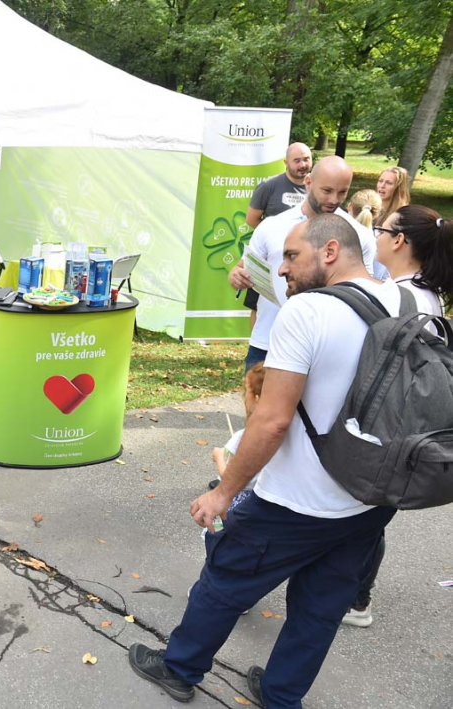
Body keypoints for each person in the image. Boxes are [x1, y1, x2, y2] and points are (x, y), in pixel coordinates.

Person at [129, 215, 400, 709]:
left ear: (330, 251)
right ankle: (281, 697)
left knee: (225, 579)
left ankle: (179, 668)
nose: (281, 269)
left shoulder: (308, 311)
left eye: (292, 256)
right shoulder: (405, 300)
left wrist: (223, 492)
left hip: (295, 500)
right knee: (320, 610)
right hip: (370, 499)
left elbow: (272, 421)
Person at [342, 206, 453, 629]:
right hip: (411, 425)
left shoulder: (398, 297)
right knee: (371, 517)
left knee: (362, 516)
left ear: (399, 240)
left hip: (387, 425)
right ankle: (357, 598)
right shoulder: (427, 293)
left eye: (380, 229)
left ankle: (355, 598)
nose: (376, 236)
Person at [228, 156, 382, 372]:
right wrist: (236, 275)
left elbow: (364, 289)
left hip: (328, 348)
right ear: (308, 183)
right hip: (268, 342)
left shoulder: (358, 235)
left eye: (342, 192)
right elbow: (242, 267)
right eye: (326, 190)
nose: (334, 199)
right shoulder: (273, 226)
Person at [240, 143, 315, 328]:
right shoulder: (268, 186)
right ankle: (257, 342)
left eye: (306, 159)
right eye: (297, 160)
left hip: (305, 261)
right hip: (270, 258)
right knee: (259, 304)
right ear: (285, 162)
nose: (303, 165)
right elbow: (252, 219)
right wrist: (275, 238)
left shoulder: (316, 188)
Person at [206, 363, 266, 502]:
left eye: (247, 392)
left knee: (212, 516)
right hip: (265, 497)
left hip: (242, 499)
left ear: (256, 400)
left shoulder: (243, 437)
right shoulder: (285, 435)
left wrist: (219, 456)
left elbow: (230, 479)